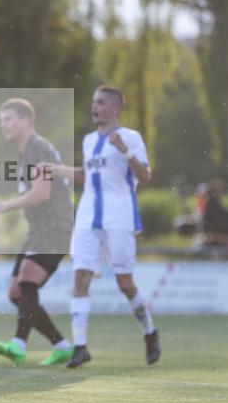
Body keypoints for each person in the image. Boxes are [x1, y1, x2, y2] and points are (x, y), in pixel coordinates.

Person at [46, 86, 160, 368]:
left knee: (125, 283)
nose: (94, 107)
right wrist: (53, 169)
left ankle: (149, 331)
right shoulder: (88, 141)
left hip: (119, 216)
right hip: (87, 216)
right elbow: (86, 175)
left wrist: (126, 153)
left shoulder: (131, 137)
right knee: (80, 277)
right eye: (93, 101)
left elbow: (145, 176)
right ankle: (80, 347)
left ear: (116, 107)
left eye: (100, 102)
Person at [0, 97, 74, 366]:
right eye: (2, 120)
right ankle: (62, 345)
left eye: (10, 119)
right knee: (16, 291)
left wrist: (5, 206)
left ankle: (19, 345)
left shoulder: (37, 148)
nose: (5, 125)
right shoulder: (28, 152)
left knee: (27, 279)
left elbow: (42, 194)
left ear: (27, 121)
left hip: (54, 225)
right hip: (39, 228)